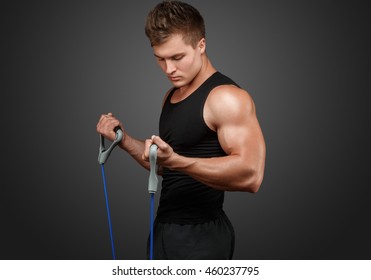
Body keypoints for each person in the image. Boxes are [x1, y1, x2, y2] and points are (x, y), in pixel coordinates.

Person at [96, 0, 266, 259]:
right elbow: (168, 166)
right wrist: (123, 139)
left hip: (202, 235)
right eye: (160, 59)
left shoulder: (226, 97)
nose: (169, 69)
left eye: (177, 57)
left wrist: (177, 160)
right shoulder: (172, 96)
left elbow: (251, 176)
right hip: (165, 230)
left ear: (201, 45)